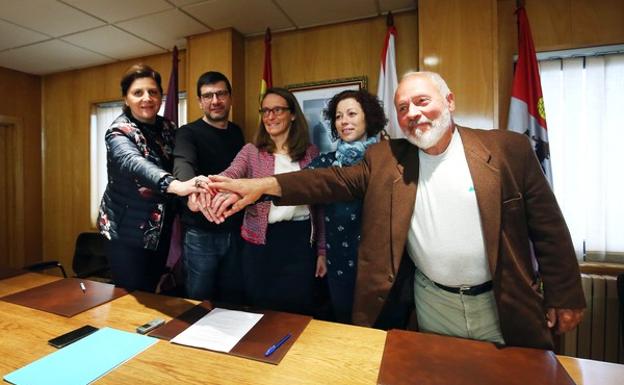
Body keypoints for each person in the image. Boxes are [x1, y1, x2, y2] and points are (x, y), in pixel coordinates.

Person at [204, 71, 586, 350]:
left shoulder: (507, 149)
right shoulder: (387, 157)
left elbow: (548, 227)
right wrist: (262, 186)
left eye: (423, 101)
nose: (414, 114)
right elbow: (328, 182)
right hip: (435, 303)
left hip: (502, 300)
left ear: (448, 101)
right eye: (404, 107)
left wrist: (565, 293)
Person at [206, 87, 326, 315]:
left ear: (292, 114)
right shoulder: (252, 151)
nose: (270, 116)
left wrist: (322, 251)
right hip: (260, 244)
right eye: (265, 111)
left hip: (300, 242)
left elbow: (320, 208)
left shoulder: (311, 153)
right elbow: (230, 174)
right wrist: (207, 184)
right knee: (260, 309)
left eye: (277, 110)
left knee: (298, 309)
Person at [97, 63, 200, 292]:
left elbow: (181, 161)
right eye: (138, 92)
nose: (147, 98)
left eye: (153, 92)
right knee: (130, 295)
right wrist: (175, 185)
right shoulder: (119, 132)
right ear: (126, 99)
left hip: (158, 229)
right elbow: (134, 164)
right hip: (125, 232)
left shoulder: (168, 127)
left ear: (161, 97)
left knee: (152, 291)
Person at [306, 89, 386, 323]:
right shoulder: (326, 162)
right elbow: (295, 185)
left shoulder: (387, 159)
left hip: (380, 265)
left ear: (368, 118)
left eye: (351, 114)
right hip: (339, 261)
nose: (344, 121)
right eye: (339, 116)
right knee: (344, 327)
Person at [173, 71, 246, 302]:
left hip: (236, 230)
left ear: (230, 98)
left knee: (233, 299)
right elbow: (182, 164)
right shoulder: (188, 133)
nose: (215, 101)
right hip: (201, 233)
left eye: (221, 94)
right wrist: (190, 191)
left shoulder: (236, 132)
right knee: (199, 301)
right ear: (199, 102)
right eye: (208, 96)